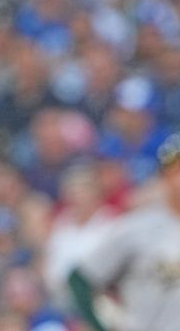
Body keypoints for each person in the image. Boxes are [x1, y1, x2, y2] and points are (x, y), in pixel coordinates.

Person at [68, 133, 180, 331]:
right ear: (164, 177)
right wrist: (103, 327)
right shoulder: (139, 227)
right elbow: (79, 279)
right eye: (176, 171)